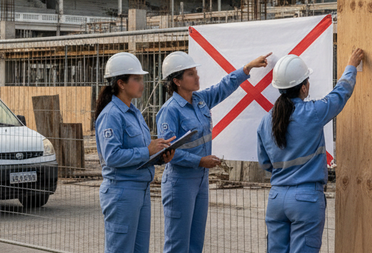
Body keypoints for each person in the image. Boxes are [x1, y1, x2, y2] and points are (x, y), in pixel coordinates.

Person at [156, 50, 272, 253]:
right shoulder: (170, 110)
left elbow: (223, 87)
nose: (197, 76)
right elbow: (168, 153)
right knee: (177, 243)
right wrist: (200, 161)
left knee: (195, 242)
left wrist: (247, 68)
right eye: (191, 74)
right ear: (177, 81)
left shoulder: (200, 100)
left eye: (195, 72)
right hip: (180, 182)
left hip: (200, 180)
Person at [257, 49, 364, 253]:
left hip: (277, 199)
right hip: (306, 199)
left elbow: (265, 163)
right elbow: (340, 94)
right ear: (304, 87)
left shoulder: (265, 121)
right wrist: (351, 67)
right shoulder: (312, 113)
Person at [95, 52, 175, 253]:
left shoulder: (135, 112)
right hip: (122, 191)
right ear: (121, 83)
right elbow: (112, 157)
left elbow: (140, 153)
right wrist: (147, 150)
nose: (142, 84)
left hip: (140, 189)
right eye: (137, 79)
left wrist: (159, 157)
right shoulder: (111, 115)